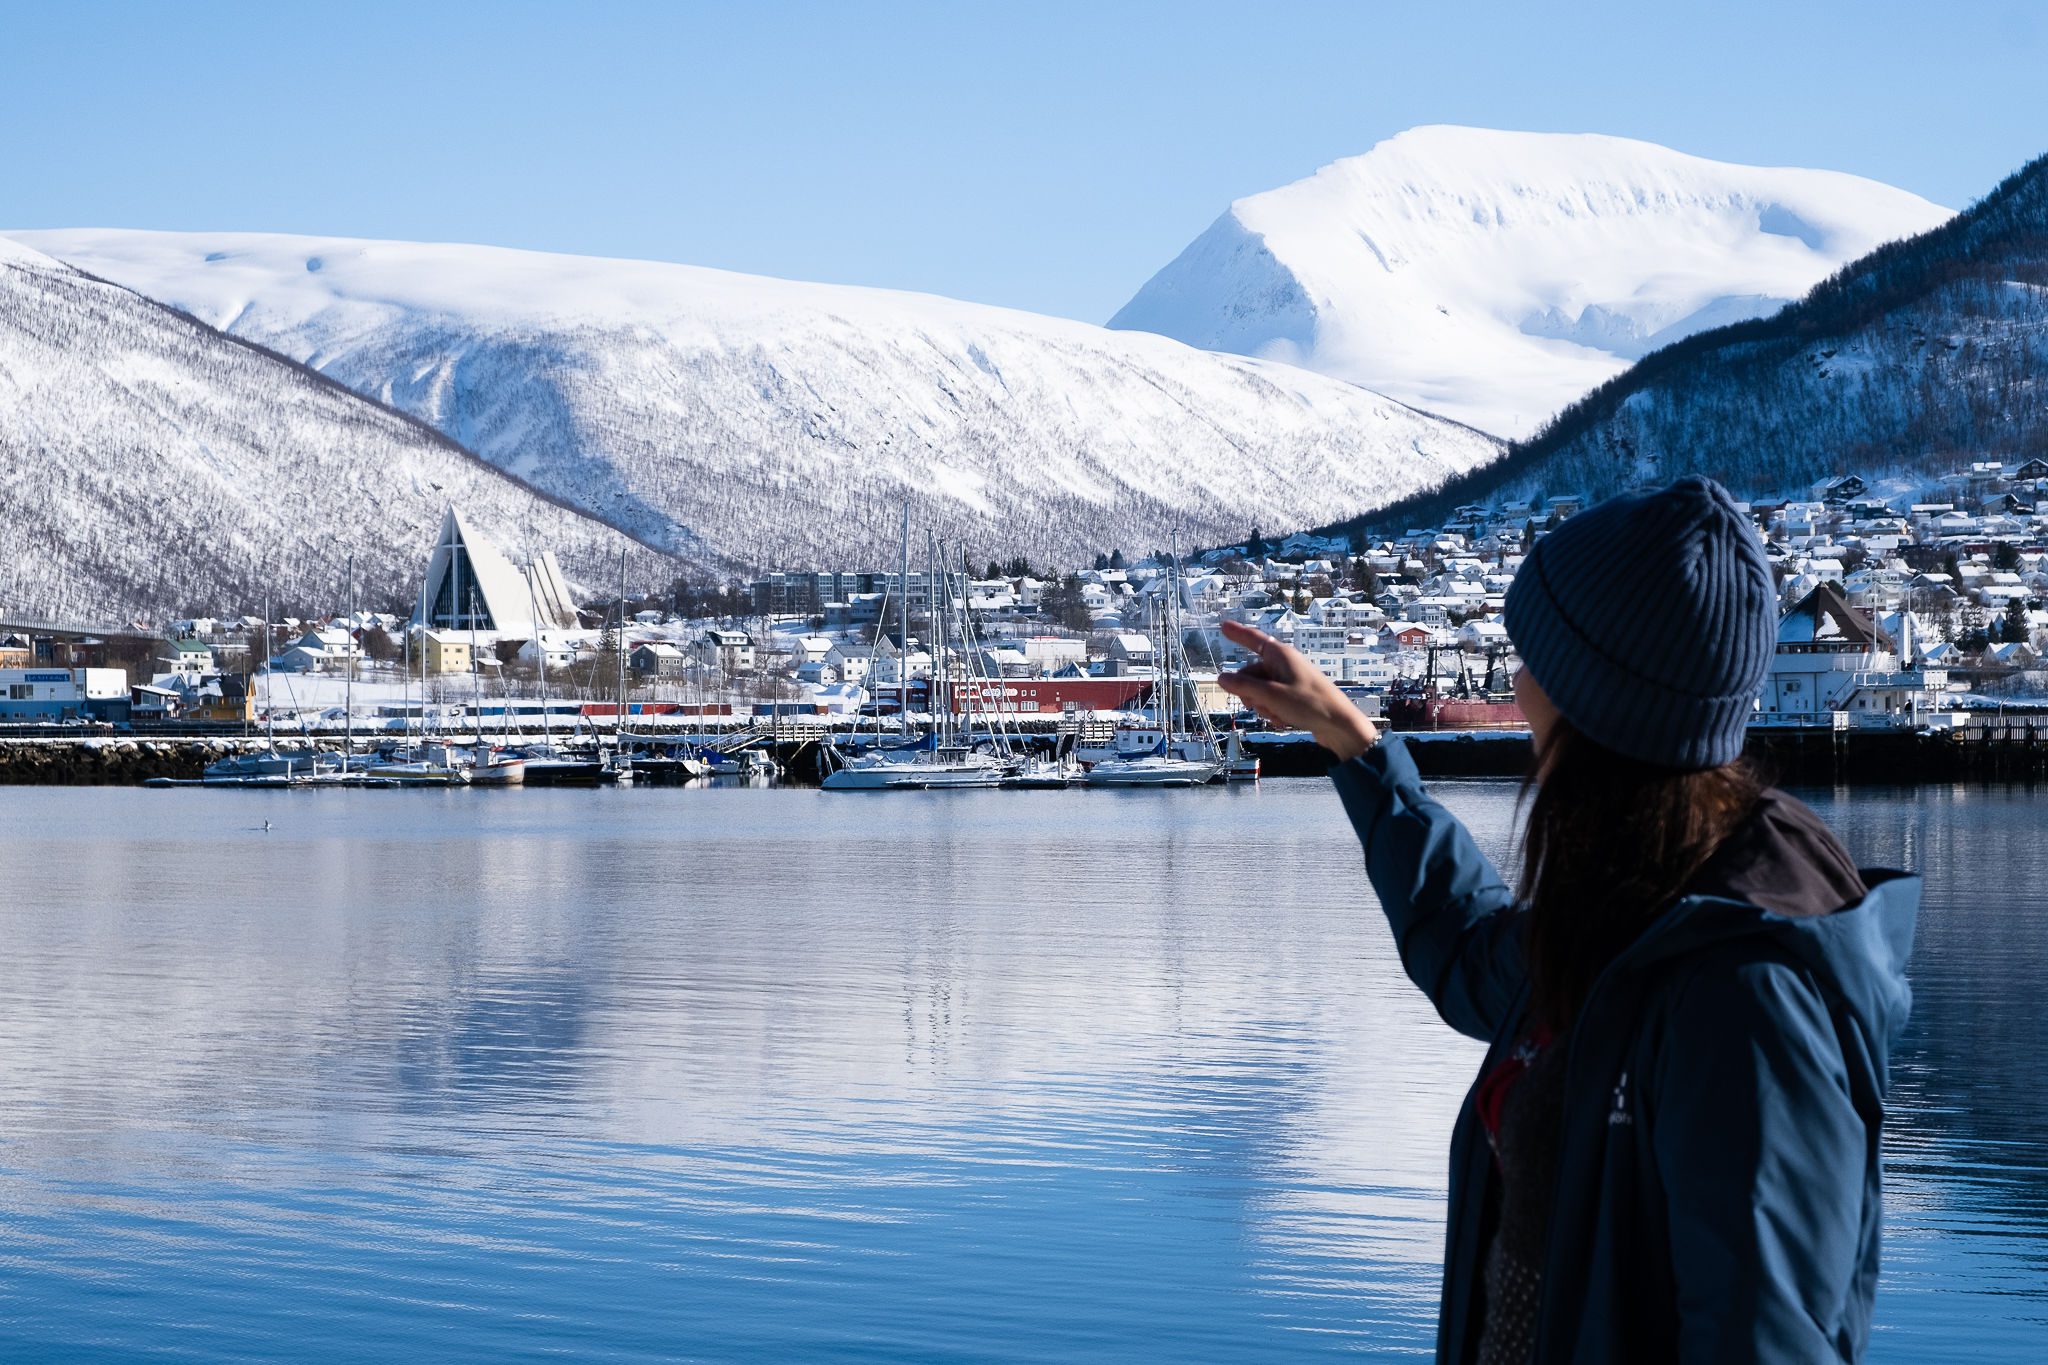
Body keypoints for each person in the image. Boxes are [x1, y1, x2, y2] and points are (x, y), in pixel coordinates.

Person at [1217, 477, 1917, 1364]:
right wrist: (1358, 751)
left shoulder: (1745, 995)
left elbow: (1764, 1338)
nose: (1515, 679)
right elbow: (1472, 954)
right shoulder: (1636, 908)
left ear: (1603, 700)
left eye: (1536, 655)